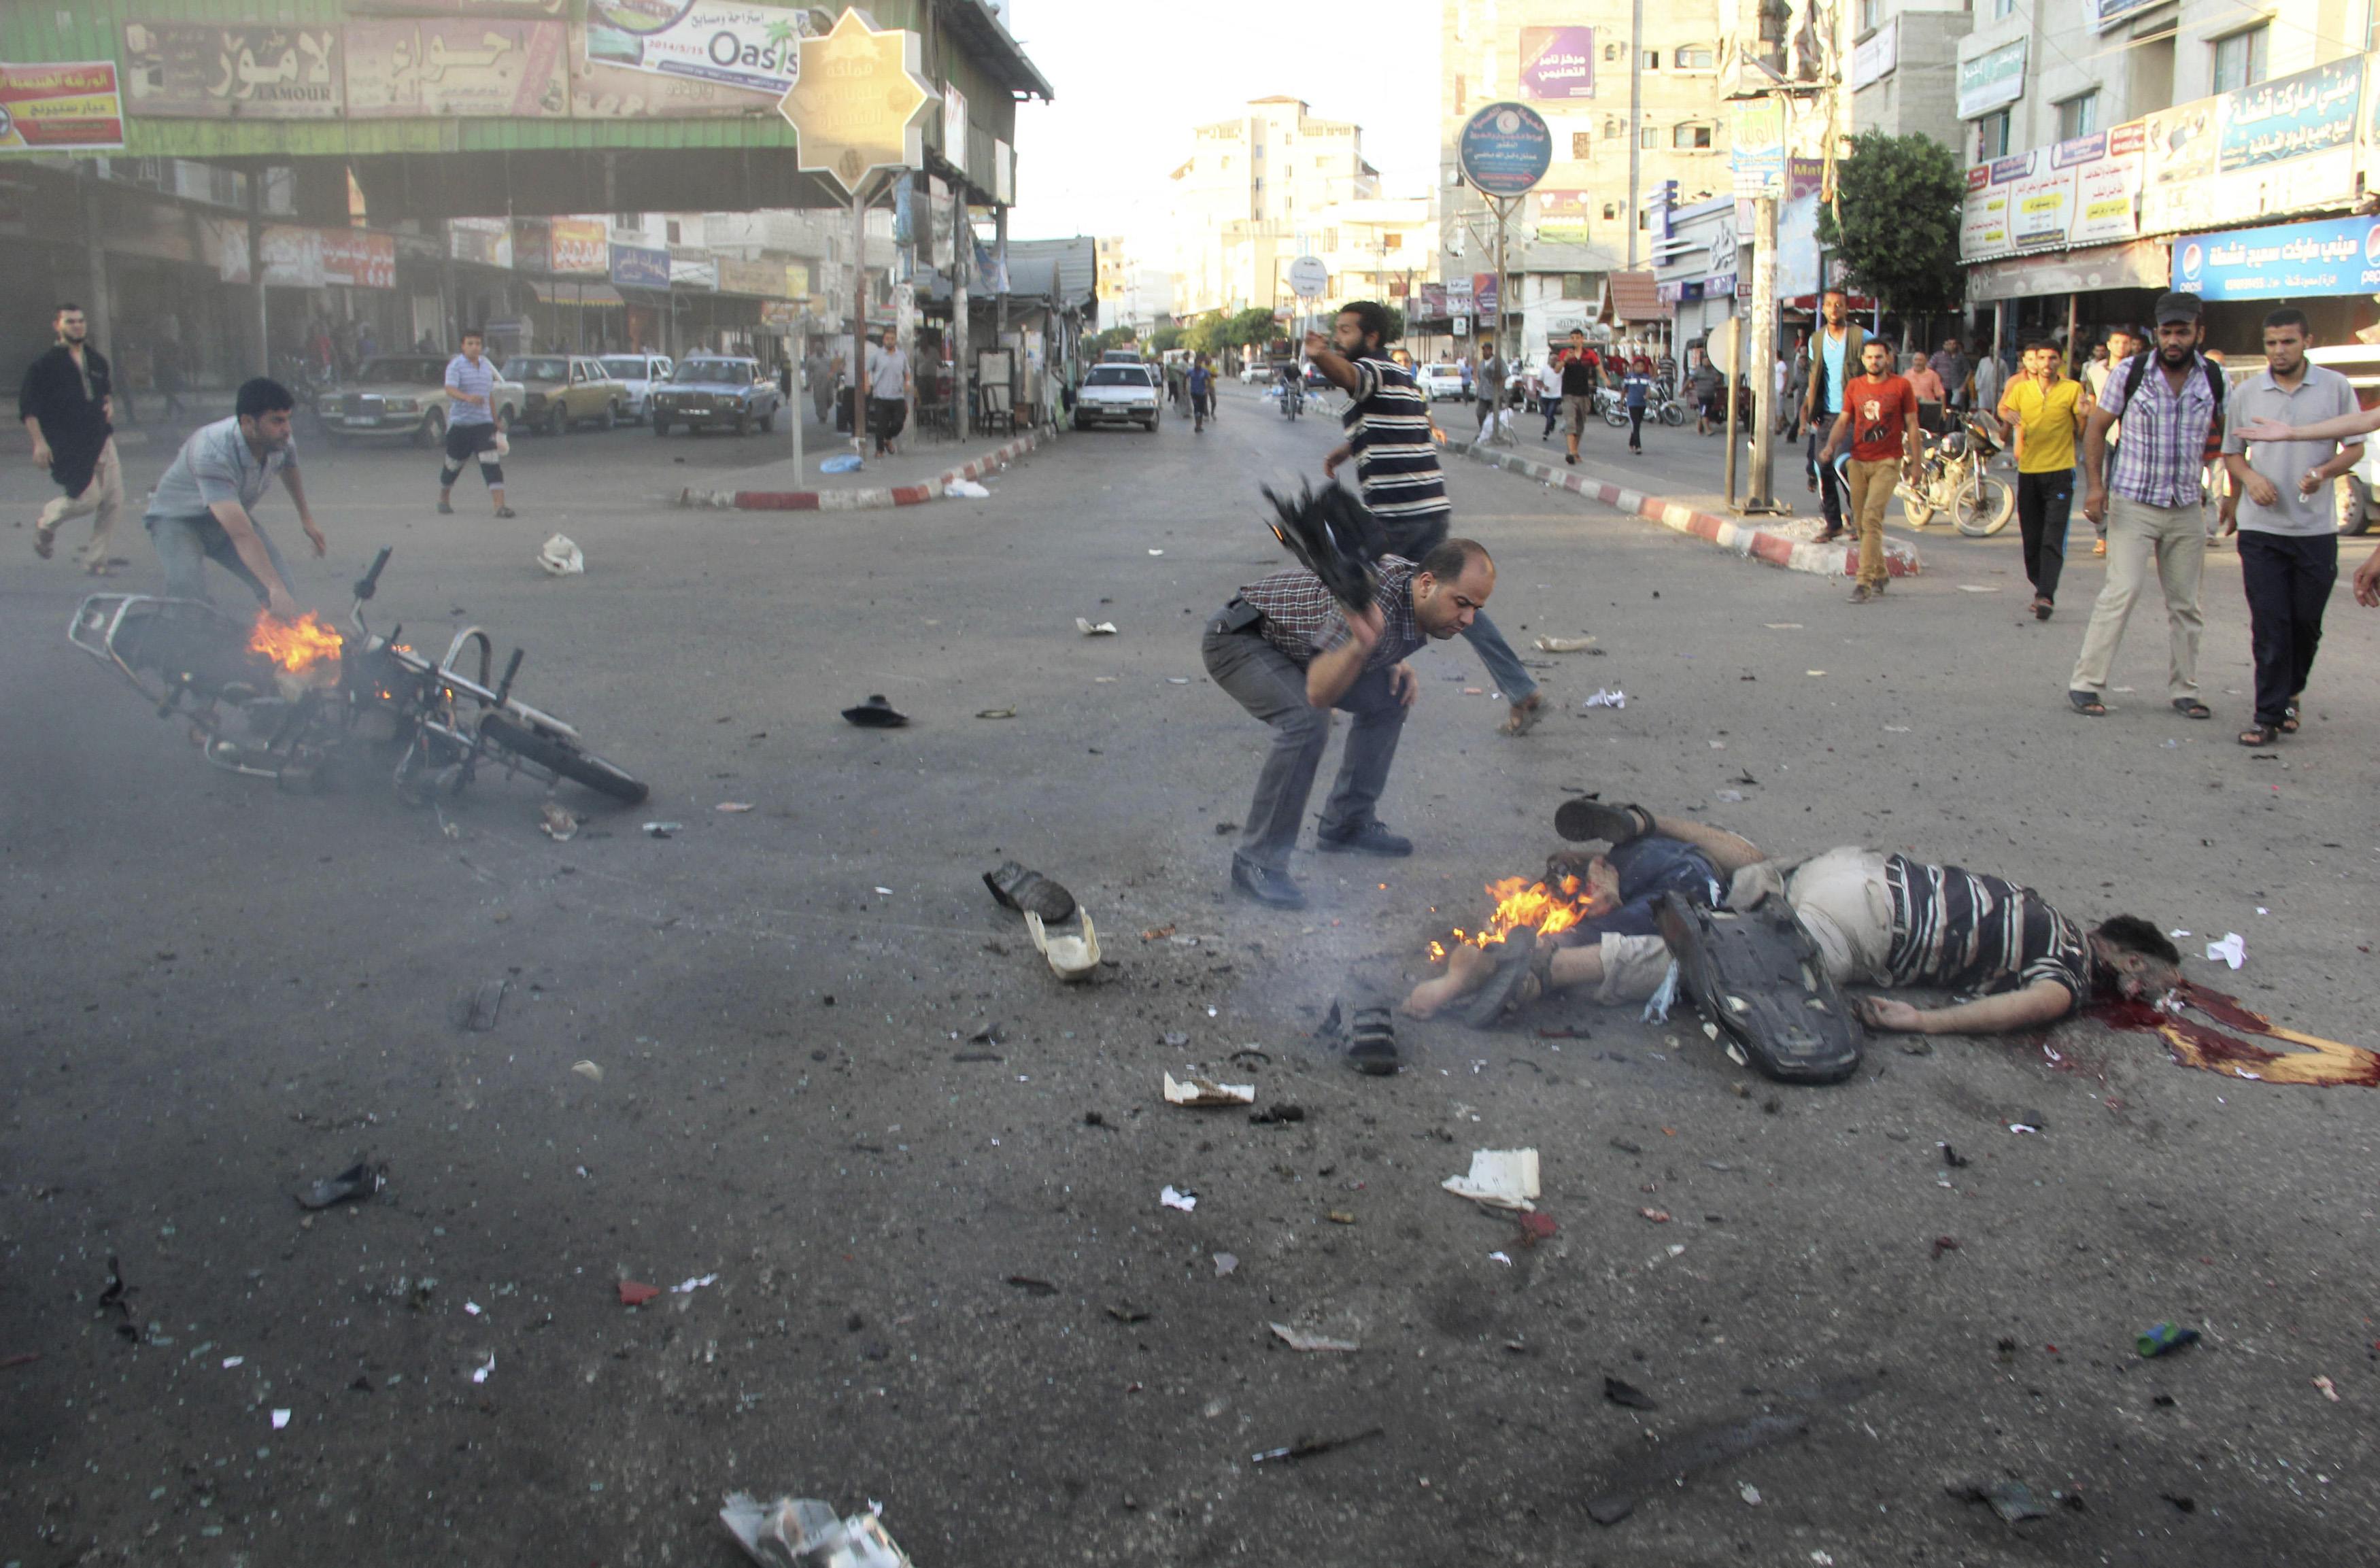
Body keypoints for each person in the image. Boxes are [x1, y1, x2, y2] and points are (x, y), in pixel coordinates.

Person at [1403, 799, 2186, 1038]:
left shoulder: (2030, 904)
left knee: (1744, 870)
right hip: (1870, 924)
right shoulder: (2071, 960)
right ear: (2121, 949)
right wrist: (1922, 1020)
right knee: (1723, 960)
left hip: (1854, 869)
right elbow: (2034, 1005)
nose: (2147, 992)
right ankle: (1544, 967)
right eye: (2149, 976)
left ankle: (1649, 824)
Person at [1202, 536, 1499, 909]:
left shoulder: (1413, 594)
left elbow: (1376, 635)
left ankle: (1347, 822)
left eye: (1477, 609)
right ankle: (1257, 862)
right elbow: (1318, 694)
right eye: (1462, 603)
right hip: (1241, 639)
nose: (1469, 620)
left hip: (1302, 648)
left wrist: (1389, 658)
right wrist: (1362, 646)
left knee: (1392, 695)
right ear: (1427, 583)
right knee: (1306, 720)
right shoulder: (1367, 599)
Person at [1312, 301, 1544, 738]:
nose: (1338, 337)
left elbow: (1346, 376)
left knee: (1353, 592)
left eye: (1345, 330)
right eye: (1335, 330)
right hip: (1430, 511)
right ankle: (1521, 688)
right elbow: (1401, 426)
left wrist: (1319, 354)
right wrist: (1346, 451)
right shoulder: (1401, 376)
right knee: (1458, 603)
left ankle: (1331, 687)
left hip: (1396, 517)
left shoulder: (1371, 369)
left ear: (1371, 337)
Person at [2069, 292, 2225, 721]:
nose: (2174, 340)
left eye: (2182, 332)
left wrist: (2233, 494)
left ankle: (2185, 690)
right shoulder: (2131, 372)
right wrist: (2095, 488)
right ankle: (2087, 683)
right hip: (2133, 503)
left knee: (2187, 605)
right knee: (2122, 591)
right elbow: (2097, 428)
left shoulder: (2214, 378)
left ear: (2198, 333)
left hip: (2186, 505)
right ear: (2156, 333)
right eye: (2167, 332)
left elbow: (2229, 436)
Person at [2218, 307, 2362, 748]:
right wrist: (2251, 480)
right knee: (2270, 624)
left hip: (2315, 530)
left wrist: (2324, 472)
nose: (2279, 351)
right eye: (2271, 343)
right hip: (2261, 530)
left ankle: (2291, 693)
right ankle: (2268, 715)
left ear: (2307, 342)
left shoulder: (2335, 387)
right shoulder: (2247, 393)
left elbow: (2355, 447)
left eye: (2288, 342)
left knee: (2305, 624)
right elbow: (2232, 453)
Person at [142, 377, 323, 617]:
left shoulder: (280, 441)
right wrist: (274, 587)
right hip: (178, 521)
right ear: (248, 422)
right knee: (187, 589)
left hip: (227, 518)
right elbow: (241, 533)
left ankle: (272, 639)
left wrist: (306, 519)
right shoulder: (212, 451)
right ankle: (180, 635)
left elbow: (289, 468)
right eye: (277, 421)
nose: (287, 429)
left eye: (288, 419)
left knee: (284, 591)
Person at [18, 301, 124, 575]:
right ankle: (47, 522)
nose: (77, 326)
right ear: (58, 326)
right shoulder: (44, 366)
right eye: (70, 322)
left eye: (80, 321)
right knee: (87, 500)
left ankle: (95, 561)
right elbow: (29, 408)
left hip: (101, 438)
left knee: (113, 501)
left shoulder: (96, 361)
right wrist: (39, 443)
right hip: (69, 443)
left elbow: (105, 393)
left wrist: (109, 405)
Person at [1818, 337, 1916, 602]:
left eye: (1879, 357)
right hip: (1858, 462)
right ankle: (1880, 572)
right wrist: (1830, 446)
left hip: (1888, 462)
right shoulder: (1855, 386)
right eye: (1870, 357)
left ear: (1889, 359)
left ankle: (1863, 582)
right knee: (1861, 523)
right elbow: (1843, 421)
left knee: (1872, 518)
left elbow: (1912, 425)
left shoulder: (1901, 386)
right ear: (1863, 360)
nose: (1874, 361)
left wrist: (1916, 464)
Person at [1999, 336, 2086, 620]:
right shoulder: (2021, 389)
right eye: (2042, 358)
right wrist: (2009, 416)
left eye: (2052, 358)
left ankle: (2046, 595)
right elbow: (2003, 408)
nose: (2047, 363)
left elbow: (2082, 430)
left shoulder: (2072, 389)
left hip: (2060, 473)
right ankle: (2040, 585)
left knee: (2053, 536)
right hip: (2028, 473)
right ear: (2033, 362)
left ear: (2060, 361)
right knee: (2032, 538)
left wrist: (2085, 415)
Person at [1801, 290, 1867, 541]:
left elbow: (1882, 362)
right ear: (1823, 309)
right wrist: (1810, 408)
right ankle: (1834, 524)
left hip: (1854, 414)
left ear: (1847, 308)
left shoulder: (1861, 337)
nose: (1834, 309)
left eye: (1839, 305)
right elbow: (1814, 376)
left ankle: (1860, 521)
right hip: (1827, 415)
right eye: (1829, 305)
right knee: (1822, 468)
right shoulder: (1817, 340)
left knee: (1843, 465)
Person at [435, 328, 513, 519]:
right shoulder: (456, 366)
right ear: (463, 346)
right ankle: (444, 497)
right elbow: (450, 389)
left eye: (478, 343)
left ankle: (499, 506)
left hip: (483, 425)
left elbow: (488, 395)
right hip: (461, 425)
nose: (474, 347)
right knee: (453, 465)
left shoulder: (486, 366)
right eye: (470, 344)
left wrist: (495, 421)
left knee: (491, 462)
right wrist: (467, 398)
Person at [864, 326, 911, 457]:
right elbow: (866, 370)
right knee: (881, 424)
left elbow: (907, 372)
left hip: (898, 395)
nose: (890, 341)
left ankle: (888, 438)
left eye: (892, 339)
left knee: (899, 422)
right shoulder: (877, 355)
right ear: (883, 340)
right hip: (881, 395)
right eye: (887, 338)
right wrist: (867, 383)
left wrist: (907, 382)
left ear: (895, 340)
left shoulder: (901, 355)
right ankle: (879, 450)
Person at [1559, 328, 1599, 464]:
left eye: (1577, 338)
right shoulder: (1565, 353)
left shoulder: (1590, 354)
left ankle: (1575, 451)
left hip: (1583, 394)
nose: (1575, 340)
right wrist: (1565, 359)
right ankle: (1571, 453)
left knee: (1580, 425)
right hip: (1568, 394)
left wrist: (1605, 379)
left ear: (1582, 339)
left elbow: (1598, 367)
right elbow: (1557, 369)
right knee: (1570, 422)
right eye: (1573, 338)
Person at [1904, 352, 1946, 439]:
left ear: (1926, 362)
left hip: (1928, 409)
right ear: (1912, 361)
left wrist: (1943, 410)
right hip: (1911, 409)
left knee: (1928, 436)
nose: (1918, 363)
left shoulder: (1933, 375)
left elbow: (1941, 393)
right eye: (1916, 360)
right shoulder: (1907, 374)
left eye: (1920, 360)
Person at [1690, 345, 1724, 437]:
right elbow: (1690, 380)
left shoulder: (1714, 371)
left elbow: (1718, 380)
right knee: (1705, 412)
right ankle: (1708, 430)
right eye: (1705, 360)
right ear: (1702, 361)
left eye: (1708, 360)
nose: (1707, 362)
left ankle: (1699, 427)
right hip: (1702, 395)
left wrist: (1718, 380)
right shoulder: (1699, 371)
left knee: (1706, 412)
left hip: (1711, 395)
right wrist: (1683, 390)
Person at [1620, 356, 1652, 454]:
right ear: (1634, 367)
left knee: (1637, 425)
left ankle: (1631, 443)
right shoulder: (1629, 377)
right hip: (1632, 403)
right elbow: (1624, 390)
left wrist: (1647, 395)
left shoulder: (1646, 377)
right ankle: (1638, 446)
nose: (1640, 368)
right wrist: (1621, 402)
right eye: (1637, 366)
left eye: (1642, 366)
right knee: (1636, 424)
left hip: (1642, 404)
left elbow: (1648, 389)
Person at [1928, 337, 1969, 413]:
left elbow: (1968, 371)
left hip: (1956, 387)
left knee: (1954, 409)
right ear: (1944, 345)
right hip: (1942, 387)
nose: (1950, 346)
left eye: (1953, 344)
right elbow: (1929, 368)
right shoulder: (1938, 355)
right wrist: (1937, 375)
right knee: (1942, 409)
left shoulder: (1957, 356)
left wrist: (1964, 386)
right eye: (1948, 344)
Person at [1474, 347, 1505, 437]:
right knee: (1480, 413)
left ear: (1491, 351)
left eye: (1486, 350)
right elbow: (1480, 377)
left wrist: (1500, 389)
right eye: (1483, 350)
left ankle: (1495, 434)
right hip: (1483, 395)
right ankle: (1483, 430)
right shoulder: (1482, 363)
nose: (1484, 352)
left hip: (1494, 395)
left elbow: (1505, 376)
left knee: (1495, 416)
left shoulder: (1498, 362)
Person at [804, 345, 832, 424]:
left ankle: (825, 409)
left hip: (828, 381)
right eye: (818, 349)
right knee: (819, 399)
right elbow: (808, 371)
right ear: (815, 350)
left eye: (820, 348)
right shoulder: (811, 359)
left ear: (823, 349)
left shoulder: (828, 358)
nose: (819, 350)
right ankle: (822, 416)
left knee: (830, 398)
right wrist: (808, 383)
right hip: (818, 382)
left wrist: (835, 379)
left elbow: (833, 368)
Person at [1187, 354, 1213, 434]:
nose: (1197, 365)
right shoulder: (1190, 371)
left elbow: (1209, 380)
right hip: (1194, 393)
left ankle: (1200, 424)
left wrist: (1208, 389)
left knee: (1201, 410)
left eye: (1199, 363)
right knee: (1196, 409)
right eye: (1196, 363)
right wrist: (1184, 388)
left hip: (1202, 393)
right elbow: (1185, 377)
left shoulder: (1204, 371)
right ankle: (1197, 425)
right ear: (1194, 363)